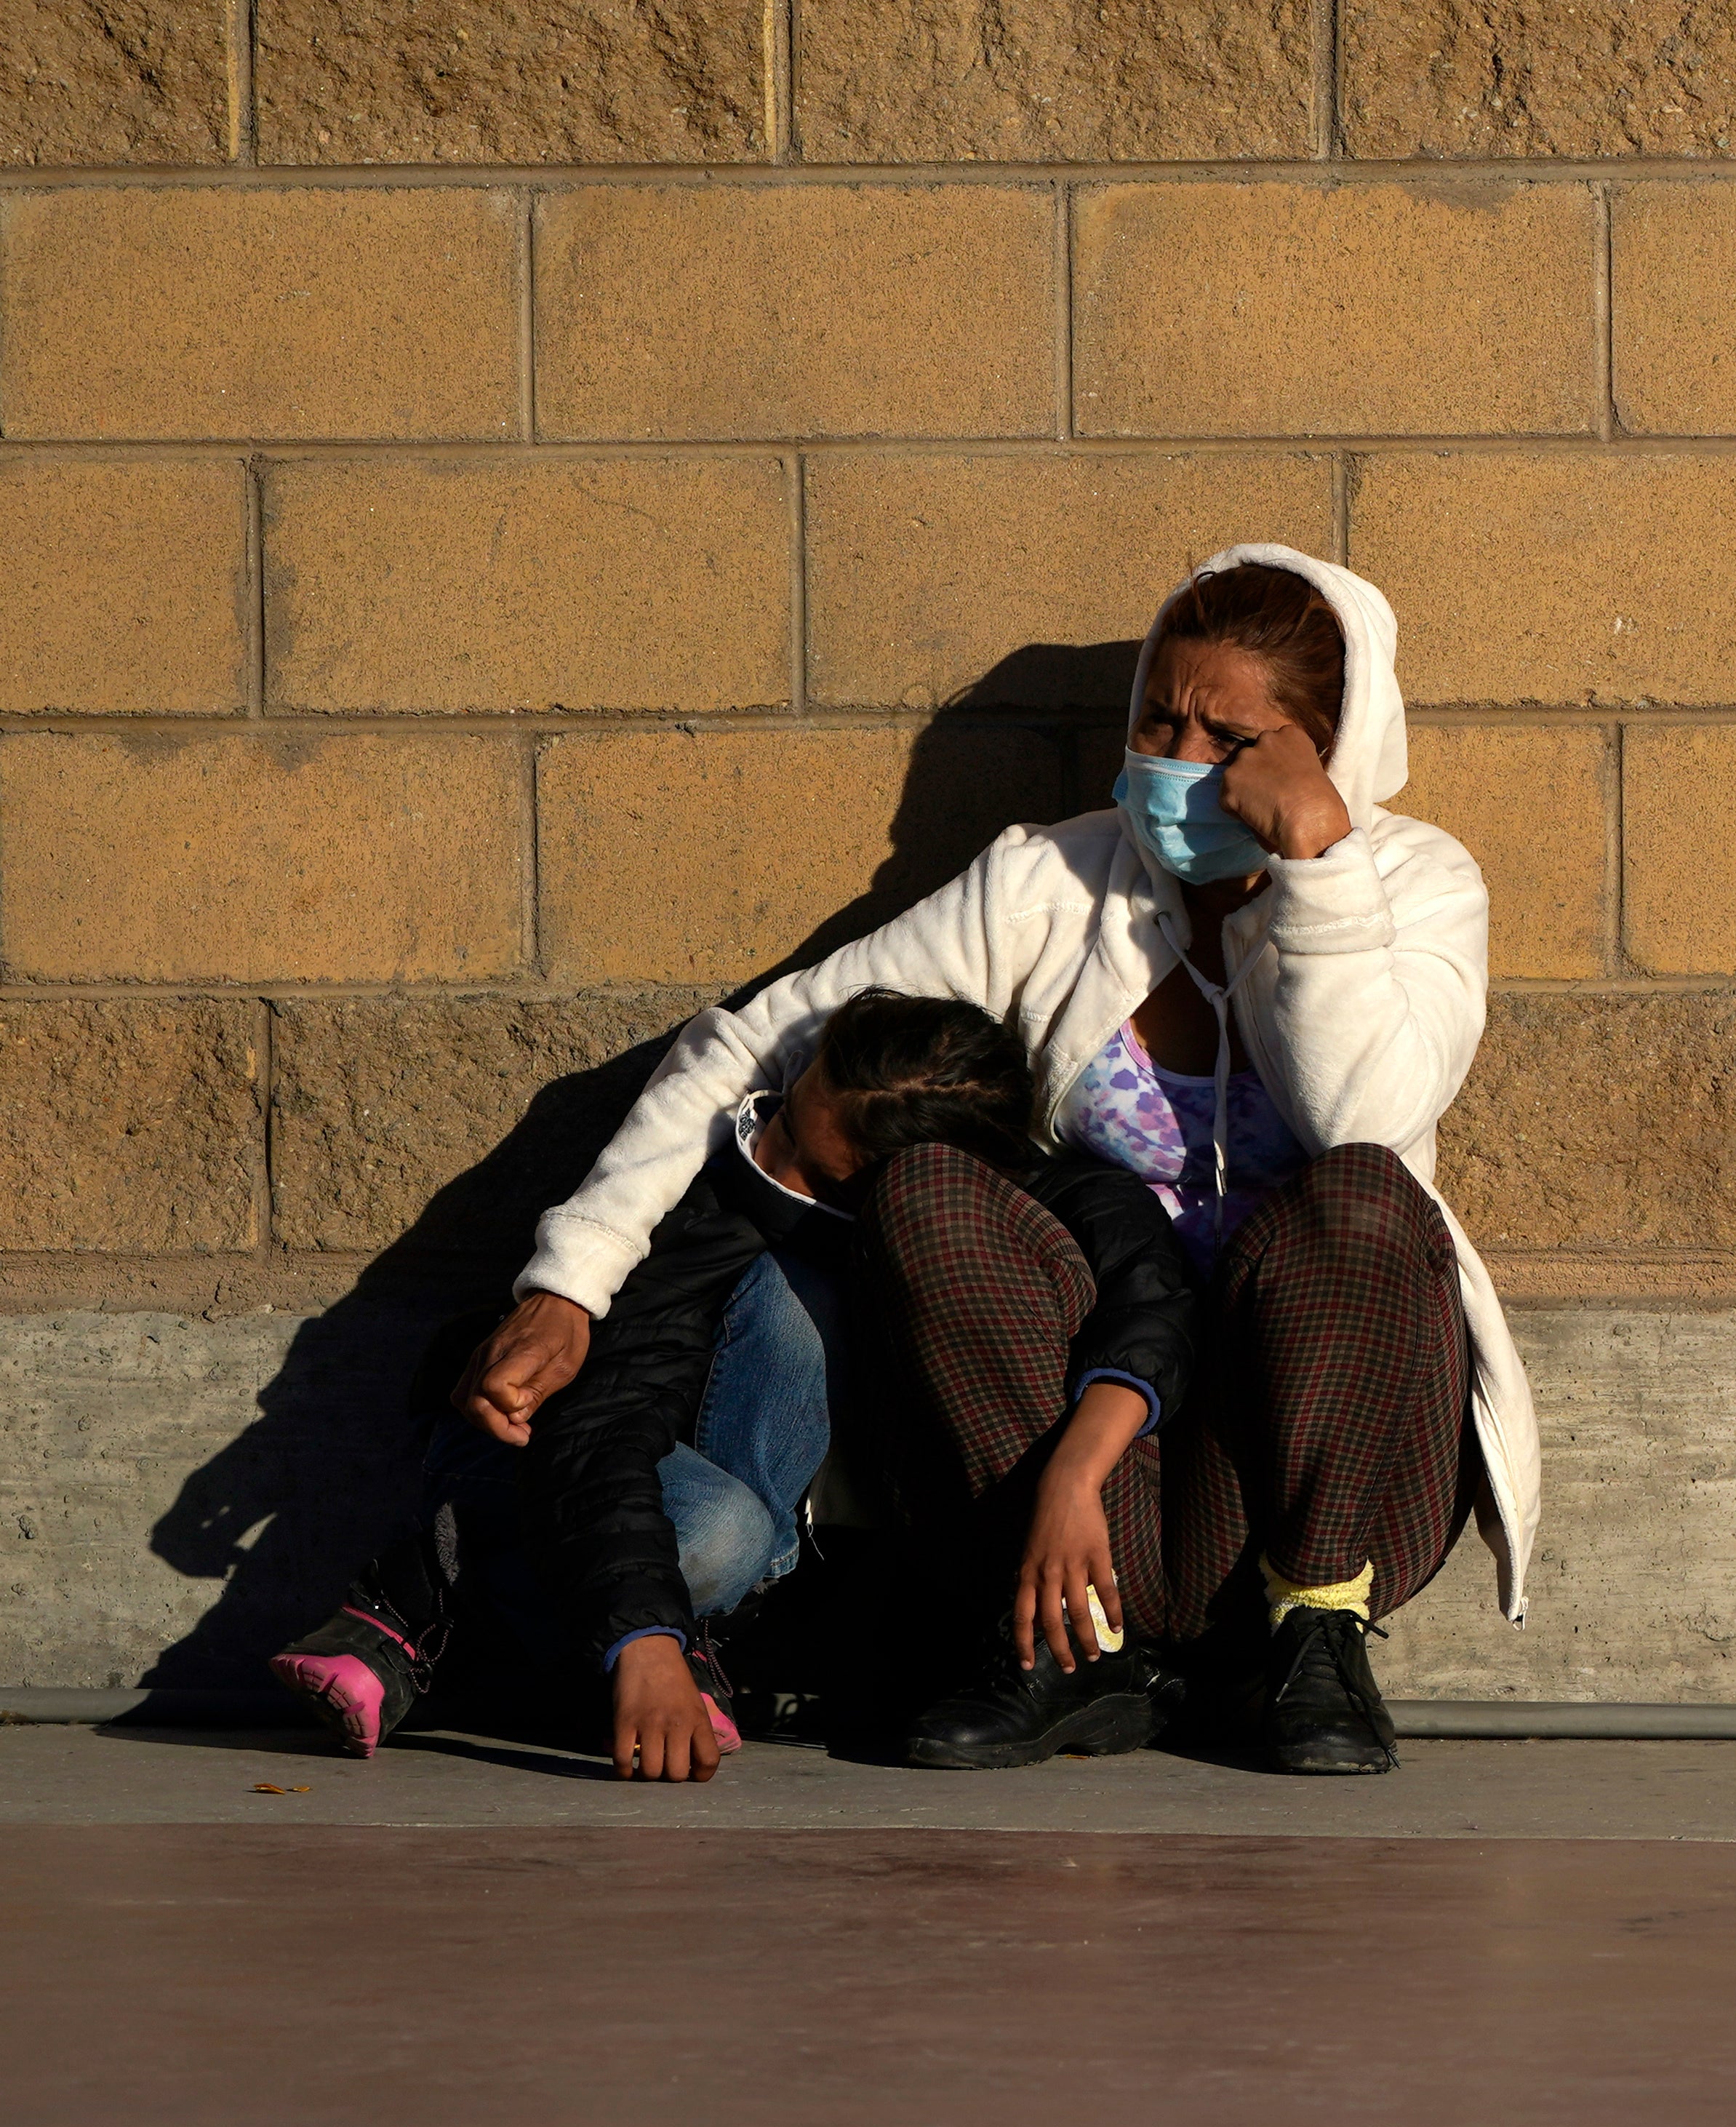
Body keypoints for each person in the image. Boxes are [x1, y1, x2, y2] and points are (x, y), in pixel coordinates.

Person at [441, 546, 1536, 1779]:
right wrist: (569, 1279)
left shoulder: (1416, 886)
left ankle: (1314, 1638)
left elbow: (1364, 1114)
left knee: (1362, 1199)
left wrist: (1320, 868)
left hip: (1299, 1457)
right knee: (931, 1183)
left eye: (1225, 737)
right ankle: (1062, 1648)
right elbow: (759, 1040)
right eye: (1156, 716)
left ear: (1323, 750)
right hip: (1075, 1467)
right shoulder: (1053, 880)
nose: (1173, 756)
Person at [268, 992, 1193, 1782]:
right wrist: (648, 1640)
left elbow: (1150, 1299)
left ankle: (495, 1636)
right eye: (784, 1114)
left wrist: (1075, 1477)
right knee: (724, 1527)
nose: (767, 1163)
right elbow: (608, 1417)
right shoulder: (709, 1196)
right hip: (564, 1460)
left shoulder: (1027, 1200)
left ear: (914, 1185)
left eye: (816, 1171)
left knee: (745, 1486)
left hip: (702, 1510)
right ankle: (426, 1586)